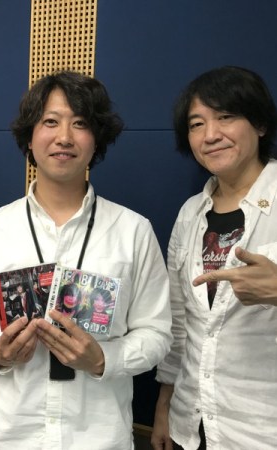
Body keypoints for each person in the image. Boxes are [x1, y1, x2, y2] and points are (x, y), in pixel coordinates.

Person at [0, 70, 172, 449]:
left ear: (96, 138)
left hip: (99, 438)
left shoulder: (133, 230)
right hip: (11, 436)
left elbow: (157, 332)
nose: (65, 137)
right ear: (30, 136)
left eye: (80, 123)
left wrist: (103, 359)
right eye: (50, 122)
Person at [151, 66, 277, 450]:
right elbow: (179, 323)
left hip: (263, 430)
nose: (210, 135)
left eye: (225, 117)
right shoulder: (191, 213)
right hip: (193, 425)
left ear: (259, 124)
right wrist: (165, 405)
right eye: (196, 124)